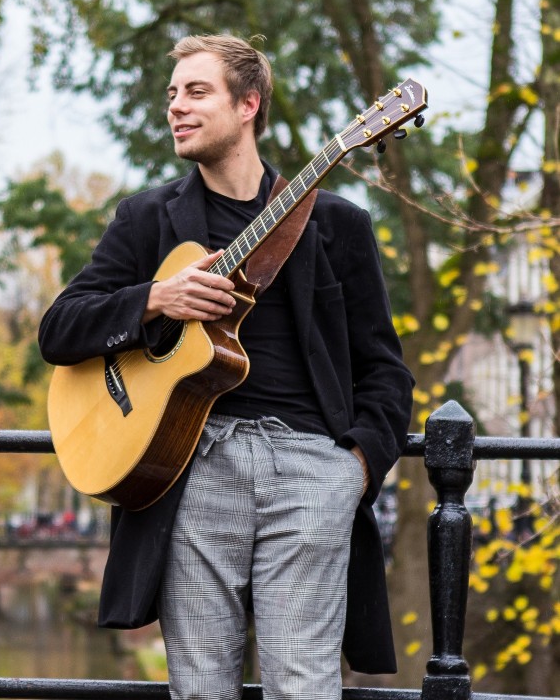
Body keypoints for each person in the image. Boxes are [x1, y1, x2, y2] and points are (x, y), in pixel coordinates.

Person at [38, 35, 414, 700]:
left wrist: (353, 469)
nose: (175, 108)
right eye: (172, 95)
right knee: (201, 688)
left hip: (311, 468)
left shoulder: (338, 224)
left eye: (196, 92)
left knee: (303, 685)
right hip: (192, 470)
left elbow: (385, 370)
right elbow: (60, 329)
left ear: (248, 105)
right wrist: (157, 298)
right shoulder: (146, 218)